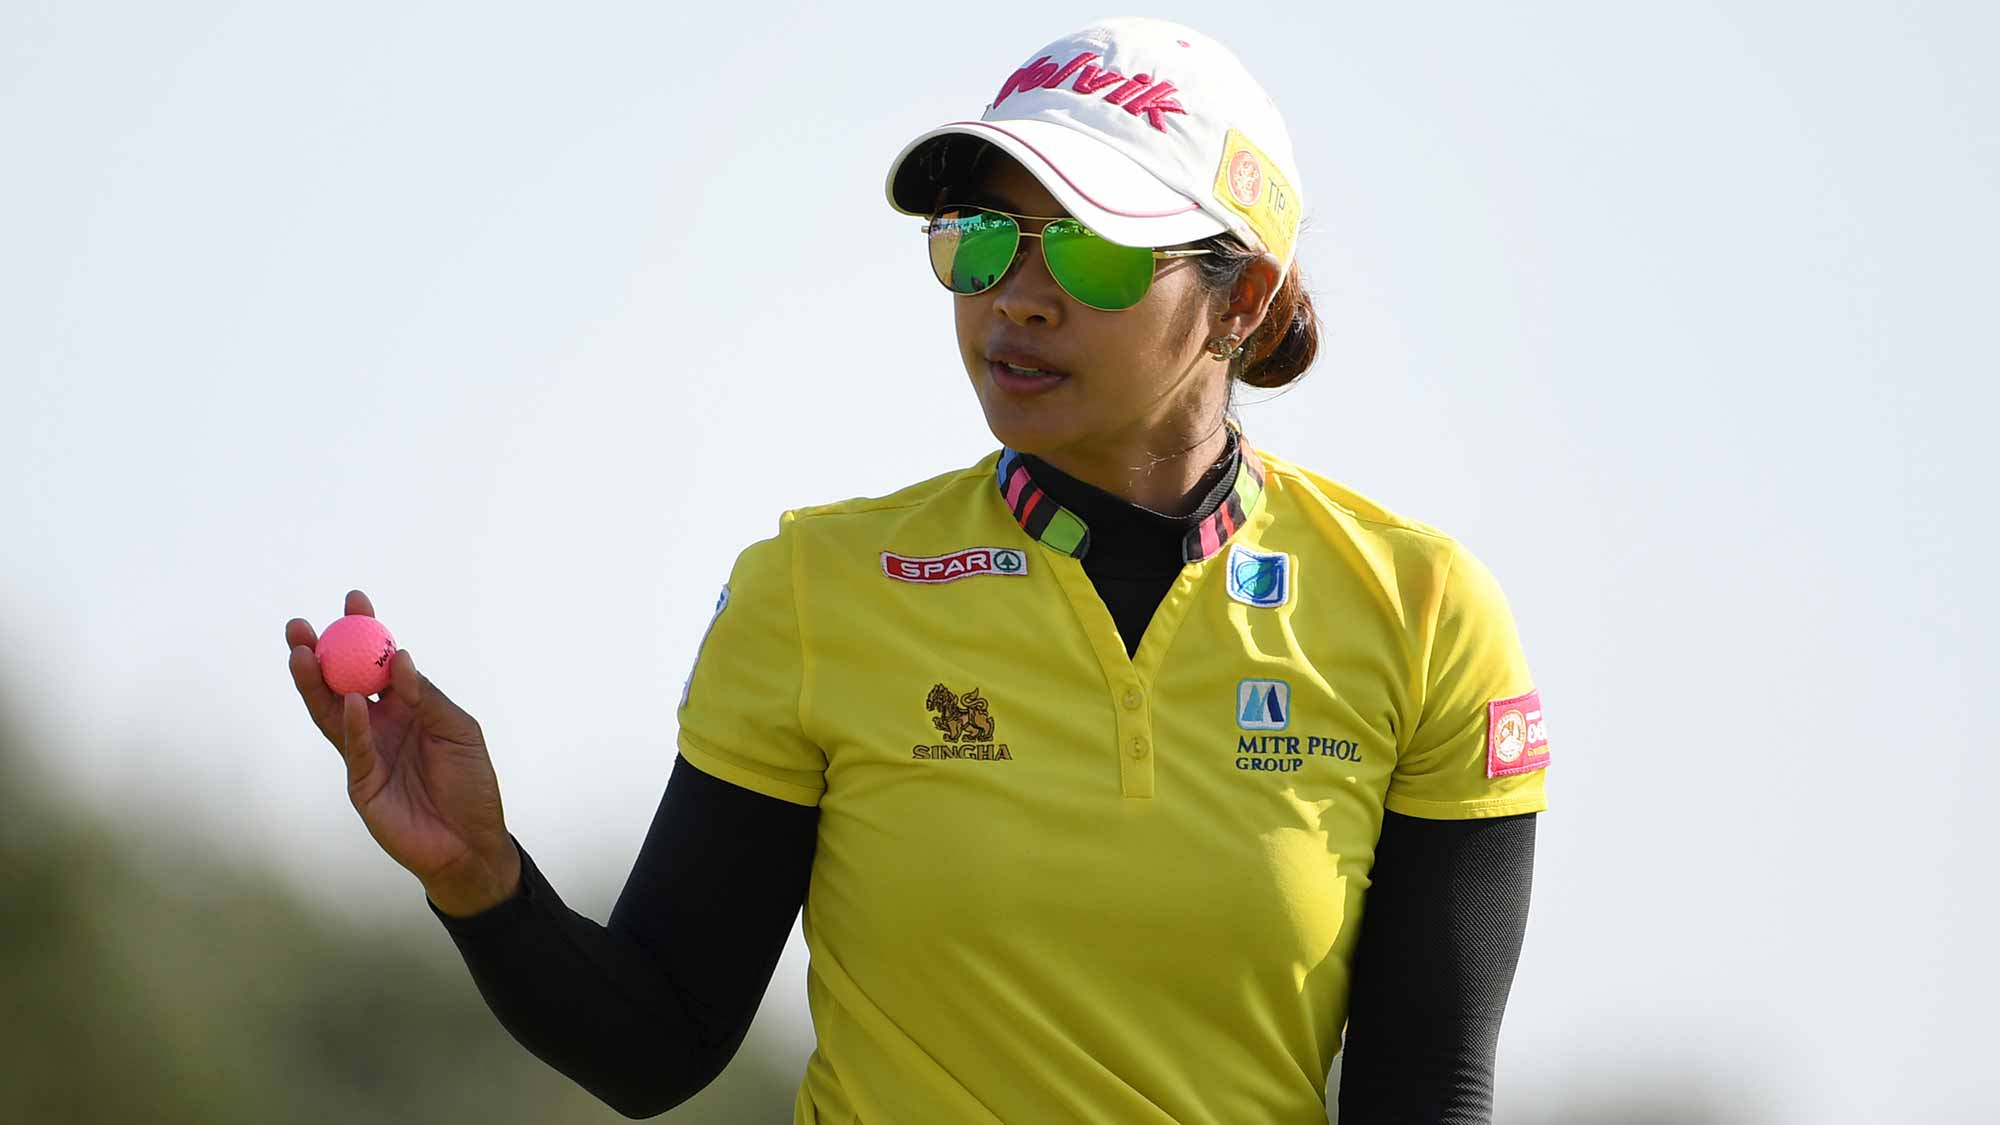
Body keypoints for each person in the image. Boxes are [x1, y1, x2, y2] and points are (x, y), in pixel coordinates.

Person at [284, 17, 1550, 1124]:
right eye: (984, 241)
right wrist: (482, 880)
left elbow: (1424, 1098)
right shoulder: (817, 587)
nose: (1021, 299)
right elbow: (656, 1042)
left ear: (1245, 301)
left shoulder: (1422, 616)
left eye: (1096, 254)